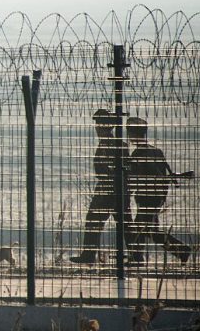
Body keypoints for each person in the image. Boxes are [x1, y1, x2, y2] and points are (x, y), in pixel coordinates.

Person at [69, 109, 136, 264]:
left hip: (108, 190)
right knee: (125, 223)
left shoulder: (108, 145)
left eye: (98, 126)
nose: (97, 129)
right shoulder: (119, 144)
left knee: (94, 220)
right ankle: (136, 256)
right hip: (119, 190)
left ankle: (89, 255)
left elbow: (107, 169)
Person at [126, 116, 192, 264]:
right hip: (157, 197)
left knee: (141, 228)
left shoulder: (138, 154)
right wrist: (161, 197)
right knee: (148, 230)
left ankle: (137, 258)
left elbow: (134, 178)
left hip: (146, 197)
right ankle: (180, 251)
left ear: (133, 135)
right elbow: (164, 175)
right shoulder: (156, 151)